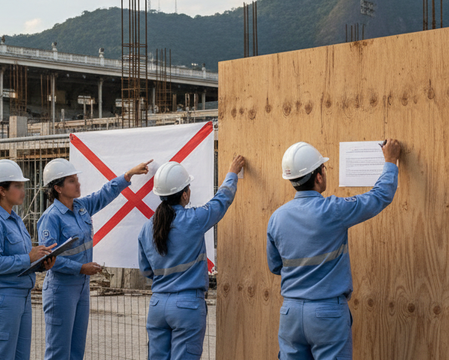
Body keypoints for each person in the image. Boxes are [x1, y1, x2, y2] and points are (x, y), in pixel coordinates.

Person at [267, 139, 401, 360]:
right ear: (318, 176)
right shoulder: (332, 210)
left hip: (290, 314)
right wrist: (390, 162)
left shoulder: (276, 218)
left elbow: (275, 266)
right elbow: (379, 197)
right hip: (326, 314)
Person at [37, 157, 153, 360]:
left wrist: (128, 175)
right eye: (72, 181)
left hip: (81, 287)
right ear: (58, 188)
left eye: (76, 179)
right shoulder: (51, 217)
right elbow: (49, 260)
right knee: (58, 350)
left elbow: (104, 194)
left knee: (76, 349)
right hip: (61, 289)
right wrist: (81, 268)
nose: (78, 183)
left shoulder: (81, 207)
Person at [138, 156, 245, 360]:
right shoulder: (193, 220)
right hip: (187, 306)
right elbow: (221, 201)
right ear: (185, 194)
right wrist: (232, 174)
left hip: (158, 306)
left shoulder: (146, 228)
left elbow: (146, 270)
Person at [0, 159, 56, 360]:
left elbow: (21, 260)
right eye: (18, 186)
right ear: (2, 190)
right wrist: (28, 257)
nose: (23, 191)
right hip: (3, 298)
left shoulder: (16, 219)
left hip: (21, 296)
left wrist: (40, 264)